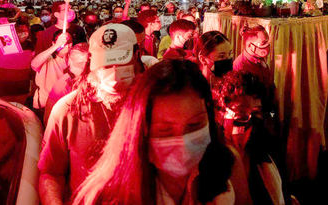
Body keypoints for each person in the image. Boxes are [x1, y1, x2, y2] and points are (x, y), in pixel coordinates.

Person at [71, 59, 236, 205]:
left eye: (194, 125)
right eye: (165, 131)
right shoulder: (108, 197)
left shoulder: (226, 171)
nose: (184, 142)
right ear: (140, 133)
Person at [38, 23, 140, 205]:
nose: (114, 76)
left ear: (136, 57)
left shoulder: (153, 104)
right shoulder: (67, 109)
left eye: (122, 63)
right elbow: (50, 173)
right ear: (91, 62)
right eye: (106, 66)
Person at [213, 70, 286, 205]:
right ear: (221, 115)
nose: (251, 124)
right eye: (241, 114)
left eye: (256, 113)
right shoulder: (210, 169)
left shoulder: (265, 159)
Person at [43, 42, 89, 125]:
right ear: (69, 62)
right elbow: (48, 119)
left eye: (88, 63)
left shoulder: (97, 80)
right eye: (79, 63)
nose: (84, 67)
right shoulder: (62, 85)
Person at [31, 30, 73, 111]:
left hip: (64, 105)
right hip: (45, 105)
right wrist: (57, 45)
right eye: (64, 42)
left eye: (69, 42)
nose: (68, 45)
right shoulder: (47, 59)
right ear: (53, 43)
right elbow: (34, 64)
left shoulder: (73, 59)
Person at [233, 25, 274, 96]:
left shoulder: (258, 58)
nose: (267, 45)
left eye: (267, 42)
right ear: (249, 45)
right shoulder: (241, 66)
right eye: (263, 43)